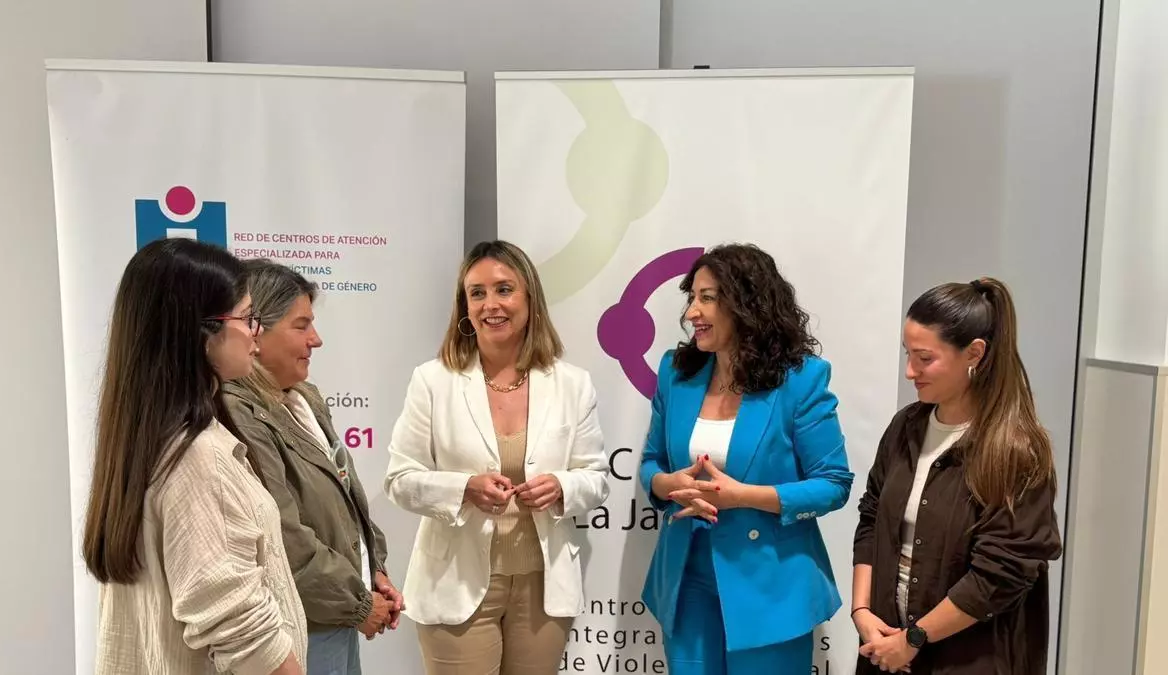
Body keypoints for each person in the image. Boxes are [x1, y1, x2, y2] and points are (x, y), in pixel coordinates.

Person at [384, 240, 610, 674]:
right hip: (455, 584)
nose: (491, 304)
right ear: (464, 307)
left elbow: (596, 478)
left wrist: (561, 486)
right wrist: (463, 488)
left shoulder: (572, 384)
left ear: (530, 298)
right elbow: (399, 479)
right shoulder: (432, 381)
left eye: (504, 289)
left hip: (543, 589)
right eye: (477, 293)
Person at [84, 239, 306, 675]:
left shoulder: (146, 440)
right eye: (247, 317)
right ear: (200, 332)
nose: (255, 332)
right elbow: (239, 626)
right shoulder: (198, 458)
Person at [639, 243, 854, 675]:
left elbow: (833, 484)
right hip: (686, 576)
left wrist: (743, 496)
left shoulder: (801, 380)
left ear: (746, 304)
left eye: (707, 298)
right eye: (691, 298)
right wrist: (668, 485)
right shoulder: (676, 373)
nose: (692, 313)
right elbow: (651, 463)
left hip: (771, 584)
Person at [851, 278, 1061, 674]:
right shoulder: (905, 428)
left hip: (968, 658)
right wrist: (862, 611)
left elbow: (1001, 574)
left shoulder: (1015, 452)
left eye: (924, 358)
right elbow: (872, 519)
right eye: (908, 354)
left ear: (974, 353)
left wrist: (914, 639)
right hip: (886, 650)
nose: (910, 371)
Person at [222, 259, 400, 675]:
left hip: (335, 614)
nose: (315, 340)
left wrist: (373, 569)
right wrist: (359, 602)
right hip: (297, 626)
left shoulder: (304, 398)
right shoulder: (236, 412)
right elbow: (282, 536)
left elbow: (345, 499)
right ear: (255, 331)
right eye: (301, 326)